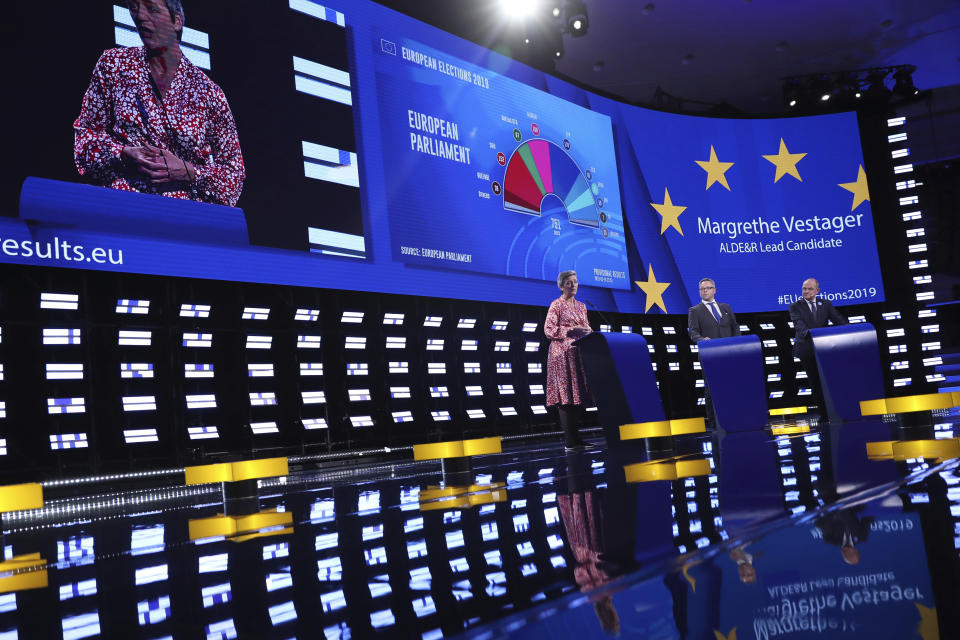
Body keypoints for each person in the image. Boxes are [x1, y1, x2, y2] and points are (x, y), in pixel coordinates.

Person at [73, 0, 245, 207]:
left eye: (152, 9)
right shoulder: (113, 66)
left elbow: (233, 176)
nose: (141, 16)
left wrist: (189, 172)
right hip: (121, 208)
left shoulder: (209, 93)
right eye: (134, 7)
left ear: (177, 22)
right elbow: (84, 142)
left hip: (185, 219)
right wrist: (123, 154)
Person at [545, 270, 594, 450]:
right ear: (561, 286)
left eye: (575, 282)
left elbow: (586, 327)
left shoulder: (582, 306)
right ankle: (570, 441)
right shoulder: (556, 305)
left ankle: (577, 439)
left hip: (578, 354)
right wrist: (570, 331)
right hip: (561, 355)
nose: (573, 285)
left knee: (577, 395)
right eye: (568, 283)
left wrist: (588, 331)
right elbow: (549, 330)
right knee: (565, 396)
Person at [687, 278, 740, 426]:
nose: (705, 291)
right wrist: (703, 340)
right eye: (702, 289)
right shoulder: (694, 310)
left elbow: (735, 327)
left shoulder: (726, 308)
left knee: (732, 385)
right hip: (709, 354)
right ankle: (713, 421)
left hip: (730, 353)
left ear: (714, 290)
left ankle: (733, 415)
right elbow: (693, 333)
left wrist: (737, 343)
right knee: (711, 388)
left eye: (708, 288)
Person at [789, 278, 847, 411]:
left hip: (825, 348)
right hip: (807, 349)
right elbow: (799, 325)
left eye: (810, 289)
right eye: (804, 289)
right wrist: (813, 334)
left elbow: (838, 320)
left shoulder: (825, 304)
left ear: (817, 291)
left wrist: (849, 330)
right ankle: (823, 413)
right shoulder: (795, 306)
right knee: (815, 381)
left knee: (830, 380)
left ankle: (836, 410)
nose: (806, 291)